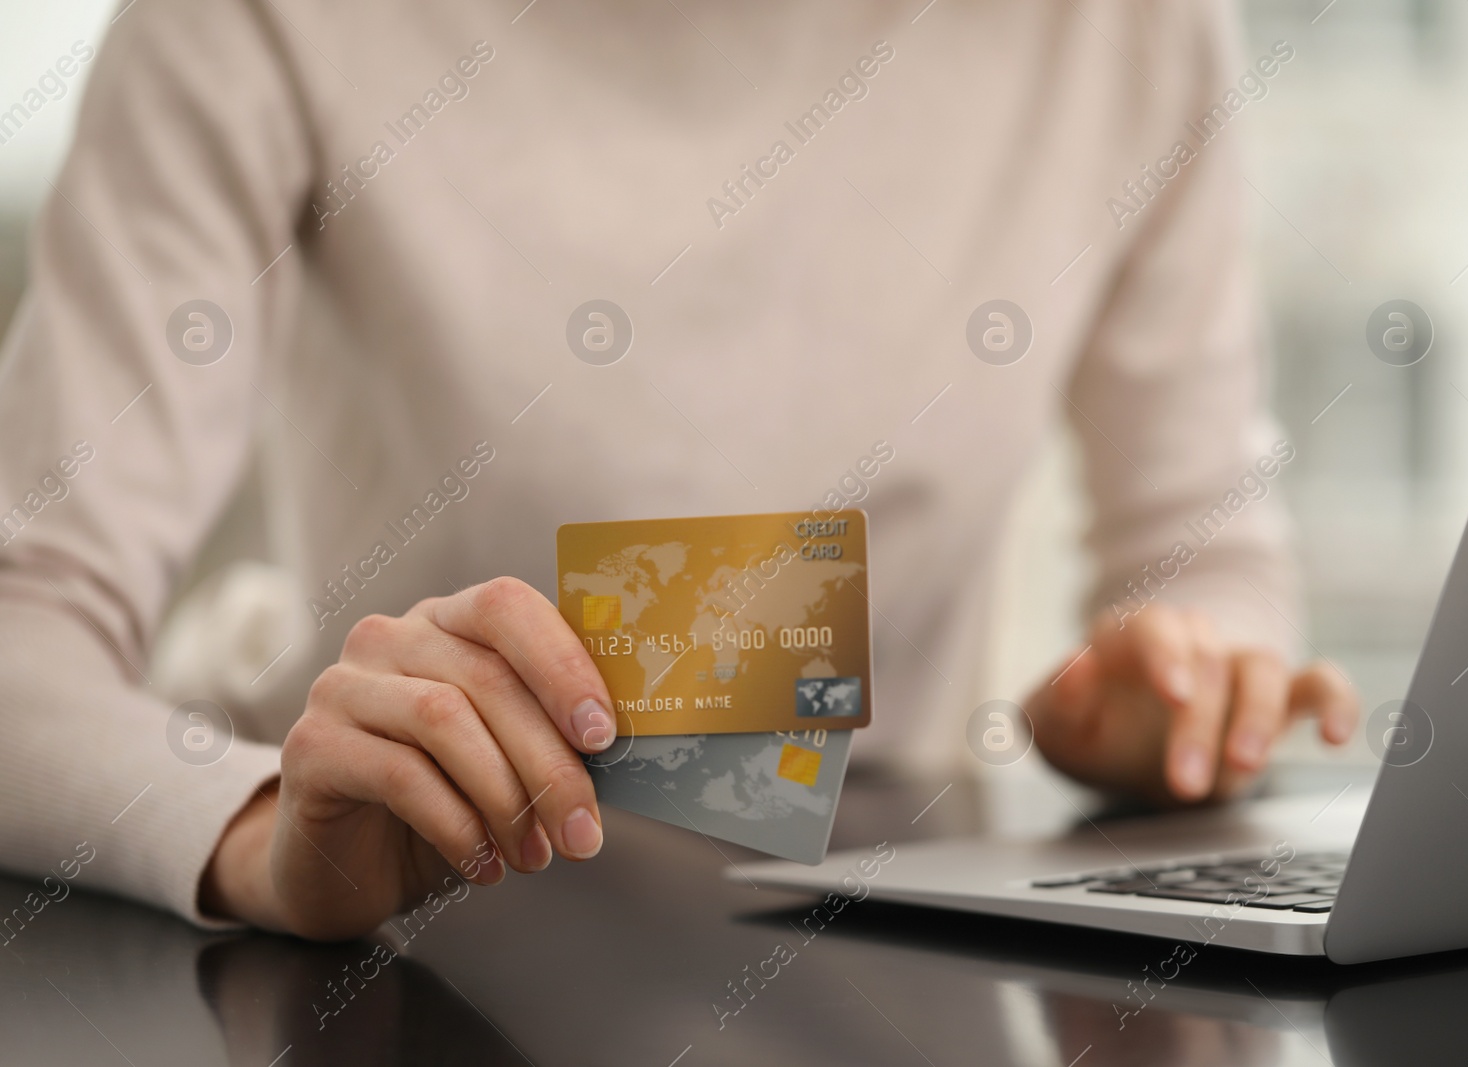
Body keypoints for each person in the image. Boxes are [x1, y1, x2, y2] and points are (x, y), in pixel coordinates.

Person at [0, 0, 1357, 941]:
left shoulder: (1124, 29)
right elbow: (24, 630)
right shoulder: (254, 25)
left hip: (895, 944)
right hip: (398, 948)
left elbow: (1208, 554)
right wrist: (257, 840)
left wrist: (1175, 699)